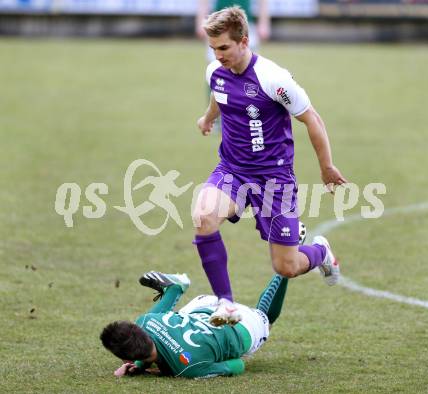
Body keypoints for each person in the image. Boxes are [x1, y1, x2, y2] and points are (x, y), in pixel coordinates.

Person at [192, 6, 347, 326]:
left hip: (274, 180)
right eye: (213, 49)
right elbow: (219, 97)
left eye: (224, 48)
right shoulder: (214, 72)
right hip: (232, 170)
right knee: (204, 215)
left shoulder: (274, 79)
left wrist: (327, 167)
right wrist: (208, 118)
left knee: (286, 267)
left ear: (244, 41)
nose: (217, 55)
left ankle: (320, 252)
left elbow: (313, 120)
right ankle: (226, 303)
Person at [100, 269, 292, 378]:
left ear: (126, 359)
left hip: (240, 325)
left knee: (265, 317)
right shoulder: (145, 321)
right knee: (175, 317)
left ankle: (284, 271)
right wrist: (141, 365)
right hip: (205, 304)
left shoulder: (186, 368)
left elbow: (238, 365)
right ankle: (175, 288)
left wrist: (147, 368)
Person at [196, 0, 271, 63]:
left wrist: (263, 23)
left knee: (249, 65)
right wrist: (201, 21)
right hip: (218, 25)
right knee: (216, 66)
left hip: (245, 24)